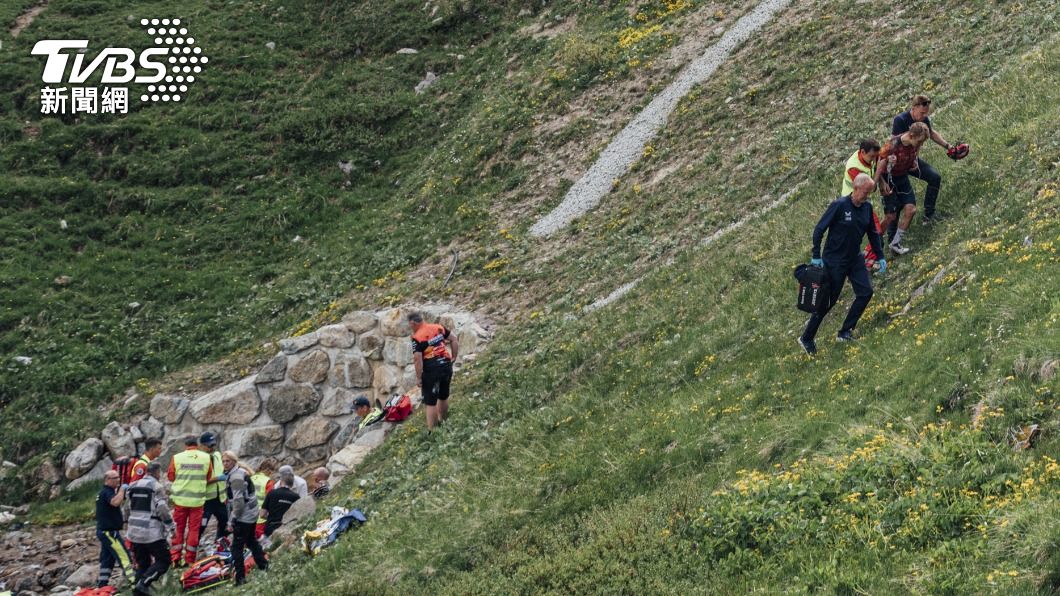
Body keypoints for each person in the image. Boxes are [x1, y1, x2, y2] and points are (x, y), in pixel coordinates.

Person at [798, 174, 886, 355]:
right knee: (828, 301)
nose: (867, 196)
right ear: (855, 188)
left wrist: (880, 255)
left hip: (855, 259)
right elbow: (819, 229)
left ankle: (845, 331)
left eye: (870, 193)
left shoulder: (867, 208)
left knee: (866, 292)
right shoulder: (839, 206)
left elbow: (872, 233)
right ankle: (807, 338)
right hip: (834, 261)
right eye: (865, 192)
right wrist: (816, 255)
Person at [892, 94, 955, 224]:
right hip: (896, 164)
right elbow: (894, 143)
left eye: (926, 113)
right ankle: (893, 233)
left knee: (934, 177)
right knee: (896, 202)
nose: (924, 116)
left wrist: (948, 146)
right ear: (914, 107)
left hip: (912, 161)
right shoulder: (900, 120)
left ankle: (929, 214)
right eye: (922, 113)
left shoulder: (923, 120)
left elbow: (931, 133)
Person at [875, 122, 930, 255]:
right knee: (890, 216)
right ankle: (874, 247)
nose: (920, 144)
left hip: (902, 179)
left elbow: (915, 151)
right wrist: (881, 182)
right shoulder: (892, 144)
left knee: (911, 210)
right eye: (920, 141)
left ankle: (896, 243)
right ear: (911, 135)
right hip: (888, 180)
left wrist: (914, 161)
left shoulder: (914, 144)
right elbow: (877, 162)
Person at [124, 461, 173, 596]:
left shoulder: (132, 486)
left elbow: (127, 508)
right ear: (157, 472)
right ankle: (143, 583)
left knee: (143, 564)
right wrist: (170, 526)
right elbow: (162, 509)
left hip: (134, 532)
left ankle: (139, 592)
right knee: (164, 561)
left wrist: (126, 523)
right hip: (151, 532)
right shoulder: (156, 487)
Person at [167, 435, 214, 566]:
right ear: (197, 445)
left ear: (185, 446)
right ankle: (189, 559)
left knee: (178, 529)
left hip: (180, 501)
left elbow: (171, 477)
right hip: (197, 502)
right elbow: (209, 476)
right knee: (193, 530)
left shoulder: (177, 458)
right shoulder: (205, 457)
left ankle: (175, 558)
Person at [222, 451, 268, 586]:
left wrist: (232, 521)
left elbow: (239, 501)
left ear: (234, 461)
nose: (225, 463)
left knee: (236, 548)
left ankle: (240, 578)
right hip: (251, 513)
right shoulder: (240, 472)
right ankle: (263, 565)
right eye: (223, 461)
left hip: (244, 516)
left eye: (228, 461)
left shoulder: (236, 477)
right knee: (251, 541)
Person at [408, 312, 459, 431]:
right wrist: (454, 357)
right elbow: (454, 339)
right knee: (443, 396)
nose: (410, 328)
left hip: (431, 370)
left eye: (410, 325)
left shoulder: (417, 337)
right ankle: (444, 421)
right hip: (446, 365)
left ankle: (433, 431)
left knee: (430, 402)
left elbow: (417, 358)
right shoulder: (438, 327)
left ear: (413, 323)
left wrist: (419, 377)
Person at [94, 469, 136, 589]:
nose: (118, 480)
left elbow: (118, 499)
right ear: (107, 480)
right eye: (115, 478)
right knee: (124, 556)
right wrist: (122, 489)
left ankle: (102, 585)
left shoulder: (107, 492)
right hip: (109, 533)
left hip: (104, 531)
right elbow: (115, 502)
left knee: (107, 559)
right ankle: (134, 583)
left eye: (118, 477)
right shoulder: (106, 492)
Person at [197, 432, 229, 546]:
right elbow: (200, 481)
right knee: (201, 525)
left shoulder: (217, 456)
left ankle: (220, 544)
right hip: (205, 500)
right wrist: (218, 479)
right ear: (202, 445)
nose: (212, 448)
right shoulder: (199, 459)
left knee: (225, 522)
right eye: (209, 445)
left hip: (219, 499)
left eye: (213, 445)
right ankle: (192, 550)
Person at [260, 468, 301, 537]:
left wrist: (271, 517)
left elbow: (262, 514)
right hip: (287, 529)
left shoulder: (272, 493)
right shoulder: (296, 497)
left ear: (281, 481)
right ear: (292, 483)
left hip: (270, 527)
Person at [251, 458, 277, 540]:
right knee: (259, 542)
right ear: (269, 471)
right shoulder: (268, 482)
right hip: (261, 517)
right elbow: (271, 500)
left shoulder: (252, 478)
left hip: (247, 515)